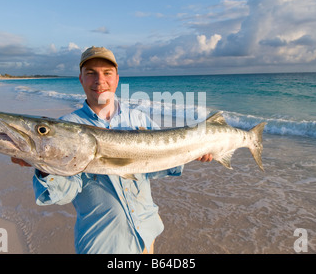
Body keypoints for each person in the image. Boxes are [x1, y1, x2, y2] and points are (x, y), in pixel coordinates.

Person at [12, 46, 212, 254]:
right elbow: (63, 193)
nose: (100, 81)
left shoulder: (139, 119)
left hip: (145, 234)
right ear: (81, 79)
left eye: (107, 73)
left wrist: (192, 153)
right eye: (91, 74)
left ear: (117, 78)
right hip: (103, 244)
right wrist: (46, 168)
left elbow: (152, 167)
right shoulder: (65, 127)